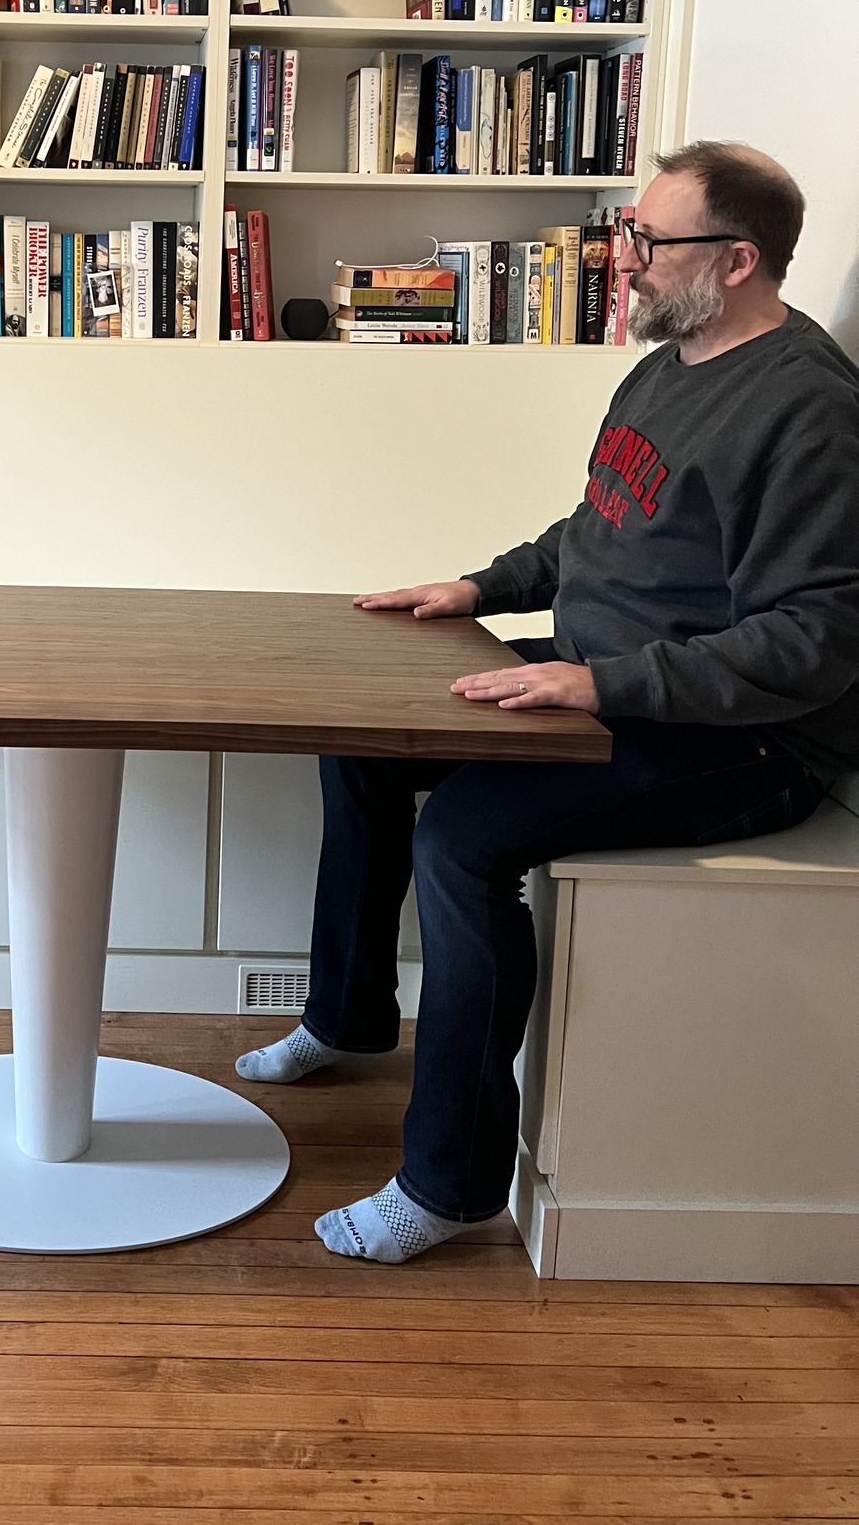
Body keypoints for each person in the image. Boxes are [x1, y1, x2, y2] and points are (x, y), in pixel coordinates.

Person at [238, 142, 859, 1263]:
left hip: (744, 740)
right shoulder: (673, 362)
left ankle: (449, 1181)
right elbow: (598, 526)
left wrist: (600, 681)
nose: (623, 261)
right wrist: (481, 586)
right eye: (628, 231)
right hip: (611, 681)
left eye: (647, 242)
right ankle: (347, 1015)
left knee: (466, 835)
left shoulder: (809, 410)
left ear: (737, 260)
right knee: (362, 744)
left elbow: (813, 643)